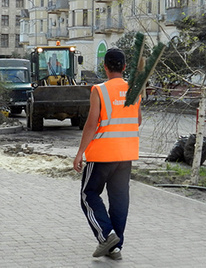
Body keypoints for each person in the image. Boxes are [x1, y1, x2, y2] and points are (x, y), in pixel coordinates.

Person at [73, 48, 142, 260]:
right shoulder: (134, 89)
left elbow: (92, 123)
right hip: (126, 154)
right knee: (120, 200)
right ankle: (115, 247)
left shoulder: (99, 90)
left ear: (105, 67)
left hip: (102, 154)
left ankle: (107, 235)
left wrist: (79, 153)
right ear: (124, 67)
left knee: (88, 195)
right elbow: (138, 120)